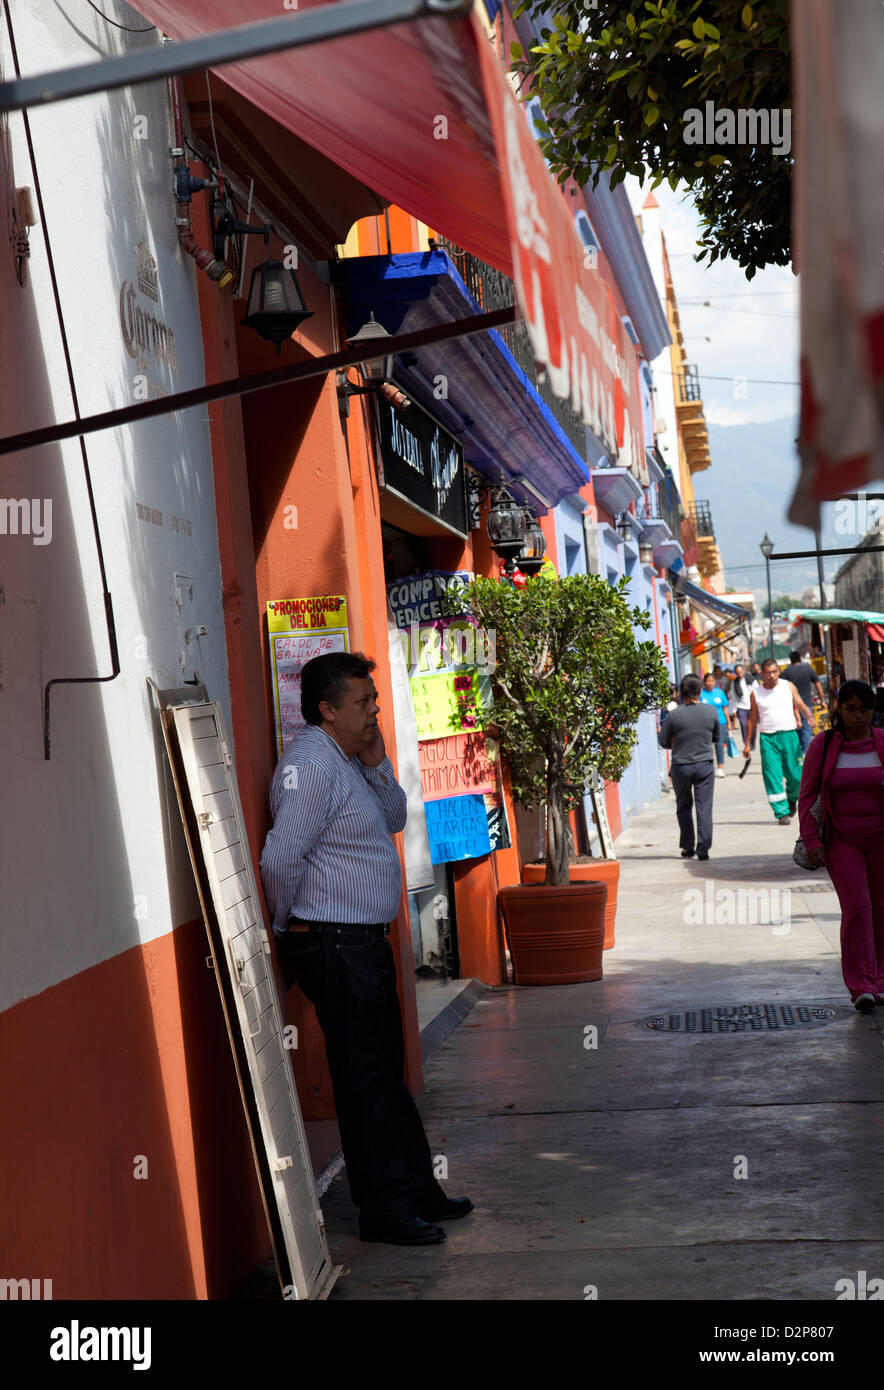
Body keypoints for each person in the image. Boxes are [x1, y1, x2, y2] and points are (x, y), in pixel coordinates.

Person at [259, 651, 472, 1246]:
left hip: (361, 941)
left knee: (387, 1073)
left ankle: (417, 1190)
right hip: (333, 940)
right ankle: (383, 1210)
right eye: (362, 702)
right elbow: (278, 859)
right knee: (364, 1080)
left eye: (374, 700)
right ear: (327, 710)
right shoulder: (309, 765)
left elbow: (391, 821)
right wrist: (286, 932)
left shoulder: (346, 759)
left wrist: (378, 764)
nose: (374, 710)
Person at [797, 681, 884, 1012]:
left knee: (881, 907)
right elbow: (808, 795)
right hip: (841, 841)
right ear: (839, 709)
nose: (859, 716)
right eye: (851, 708)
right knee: (858, 909)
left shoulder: (881, 742)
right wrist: (811, 840)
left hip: (881, 839)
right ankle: (861, 984)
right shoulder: (825, 744)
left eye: (865, 708)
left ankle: (881, 978)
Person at [659, 672, 721, 860]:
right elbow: (716, 738)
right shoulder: (711, 711)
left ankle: (687, 847)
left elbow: (664, 742)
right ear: (700, 691)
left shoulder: (673, 715)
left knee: (684, 806)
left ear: (681, 692)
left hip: (681, 766)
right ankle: (703, 849)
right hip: (704, 765)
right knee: (704, 807)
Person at [743, 657, 812, 824]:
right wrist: (747, 744)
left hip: (789, 736)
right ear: (762, 674)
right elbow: (752, 719)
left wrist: (809, 716)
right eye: (768, 673)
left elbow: (800, 704)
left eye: (774, 672)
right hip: (768, 738)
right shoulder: (756, 693)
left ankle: (791, 799)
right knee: (772, 775)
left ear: (779, 672)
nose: (771, 676)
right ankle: (781, 812)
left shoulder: (788, 687)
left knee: (797, 775)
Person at [780, 650, 824, 753]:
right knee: (806, 732)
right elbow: (818, 686)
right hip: (807, 705)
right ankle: (806, 756)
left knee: (795, 733)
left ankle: (799, 756)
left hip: (791, 707)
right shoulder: (808, 669)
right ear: (800, 658)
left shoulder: (786, 672)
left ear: (791, 660)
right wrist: (822, 700)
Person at [700, 670, 735, 777]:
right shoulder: (701, 693)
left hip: (721, 723)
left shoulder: (720, 693)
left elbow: (725, 709)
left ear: (714, 682)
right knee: (707, 747)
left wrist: (729, 723)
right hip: (705, 724)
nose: (710, 683)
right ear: (704, 682)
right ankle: (707, 768)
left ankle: (720, 767)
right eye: (708, 681)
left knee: (719, 746)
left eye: (712, 681)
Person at [730, 663, 758, 750]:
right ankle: (747, 743)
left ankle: (752, 742)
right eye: (737, 672)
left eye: (741, 672)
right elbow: (733, 697)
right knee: (743, 725)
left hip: (752, 707)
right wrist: (733, 710)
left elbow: (758, 693)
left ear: (744, 671)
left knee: (753, 726)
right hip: (741, 707)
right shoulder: (734, 683)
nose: (739, 674)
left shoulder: (752, 680)